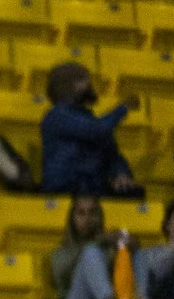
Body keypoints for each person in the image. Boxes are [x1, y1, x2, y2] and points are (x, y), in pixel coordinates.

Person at [42, 61, 140, 199]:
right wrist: (123, 108)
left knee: (133, 193)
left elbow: (113, 154)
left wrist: (121, 173)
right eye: (81, 80)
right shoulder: (57, 115)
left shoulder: (91, 118)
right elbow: (95, 130)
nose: (89, 84)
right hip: (67, 188)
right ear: (67, 87)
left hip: (95, 188)